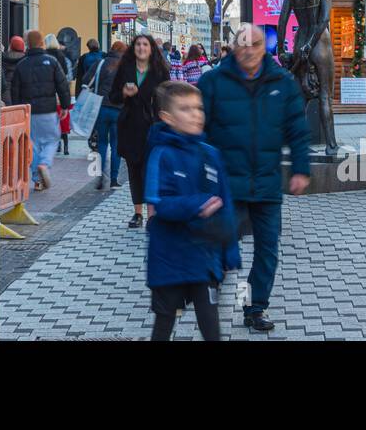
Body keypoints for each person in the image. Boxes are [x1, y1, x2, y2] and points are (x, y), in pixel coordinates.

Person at [199, 23, 311, 332]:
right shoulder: (212, 81)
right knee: (222, 245)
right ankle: (208, 292)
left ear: (265, 48)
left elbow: (297, 131)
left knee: (267, 251)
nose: (249, 49)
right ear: (234, 47)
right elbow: (198, 131)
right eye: (243, 43)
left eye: (255, 44)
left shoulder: (283, 83)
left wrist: (301, 169)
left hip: (266, 184)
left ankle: (254, 307)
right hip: (226, 185)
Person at [144, 81, 241, 341]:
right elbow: (158, 203)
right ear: (167, 117)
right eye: (185, 109)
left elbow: (226, 202)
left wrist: (231, 252)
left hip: (204, 256)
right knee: (164, 323)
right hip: (169, 258)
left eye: (198, 108)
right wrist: (196, 204)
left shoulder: (212, 155)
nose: (196, 114)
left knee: (211, 325)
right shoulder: (161, 155)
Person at [109, 34, 171, 227]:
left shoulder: (160, 71)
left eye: (145, 44)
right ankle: (138, 213)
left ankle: (152, 214)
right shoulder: (125, 69)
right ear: (133, 48)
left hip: (152, 126)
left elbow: (167, 99)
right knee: (134, 169)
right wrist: (124, 94)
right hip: (130, 126)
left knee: (151, 169)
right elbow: (113, 97)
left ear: (151, 48)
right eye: (138, 44)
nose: (141, 48)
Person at [10, 30, 72, 189]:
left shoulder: (22, 64)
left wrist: (17, 110)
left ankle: (37, 180)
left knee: (34, 144)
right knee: (52, 139)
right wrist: (65, 105)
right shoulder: (51, 62)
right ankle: (44, 164)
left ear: (28, 44)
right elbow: (62, 85)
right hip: (48, 110)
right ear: (41, 43)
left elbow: (15, 90)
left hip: (29, 112)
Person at [90, 40, 127, 190]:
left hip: (102, 107)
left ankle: (99, 175)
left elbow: (87, 81)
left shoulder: (100, 63)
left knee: (102, 143)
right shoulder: (126, 67)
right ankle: (113, 179)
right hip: (119, 109)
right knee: (116, 145)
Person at [44, 34, 73, 154]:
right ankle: (65, 146)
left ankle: (57, 145)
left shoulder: (44, 55)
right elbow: (67, 76)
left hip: (48, 92)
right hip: (60, 91)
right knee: (63, 120)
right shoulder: (62, 56)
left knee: (52, 120)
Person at [1, 35, 26, 104]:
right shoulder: (26, 61)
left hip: (6, 99)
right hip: (22, 100)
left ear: (10, 46)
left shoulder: (2, 59)